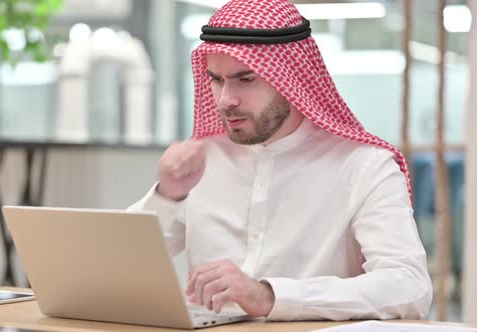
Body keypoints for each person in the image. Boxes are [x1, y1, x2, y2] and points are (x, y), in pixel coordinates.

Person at [128, 0, 432, 321]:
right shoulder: (205, 158)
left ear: (292, 78)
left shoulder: (364, 165)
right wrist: (168, 195)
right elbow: (118, 263)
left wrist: (269, 295)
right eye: (216, 79)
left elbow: (409, 287)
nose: (225, 99)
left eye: (245, 80)